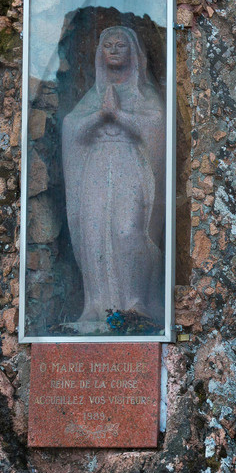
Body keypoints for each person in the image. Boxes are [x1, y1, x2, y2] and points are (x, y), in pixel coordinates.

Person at [59, 25, 166, 331]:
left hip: (130, 166)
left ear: (133, 53)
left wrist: (119, 116)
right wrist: (100, 115)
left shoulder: (143, 94)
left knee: (127, 230)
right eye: (109, 45)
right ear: (100, 54)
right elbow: (71, 127)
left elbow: (156, 126)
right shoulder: (93, 96)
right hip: (95, 167)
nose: (115, 50)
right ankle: (96, 305)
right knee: (93, 232)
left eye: (122, 45)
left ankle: (135, 302)